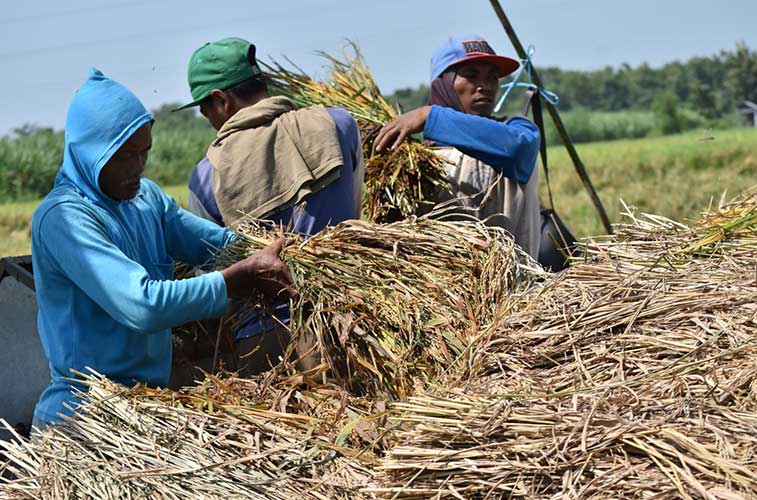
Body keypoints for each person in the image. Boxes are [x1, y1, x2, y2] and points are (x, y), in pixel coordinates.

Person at [30, 68, 295, 428]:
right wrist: (238, 278)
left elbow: (214, 244)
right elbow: (142, 306)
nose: (138, 167)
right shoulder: (64, 218)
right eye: (124, 156)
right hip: (86, 413)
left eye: (145, 153)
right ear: (90, 153)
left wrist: (273, 251)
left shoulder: (146, 198)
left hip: (146, 403)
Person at [176, 37, 364, 373]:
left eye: (204, 108)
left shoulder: (208, 175)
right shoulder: (339, 125)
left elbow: (217, 282)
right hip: (353, 322)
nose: (207, 118)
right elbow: (357, 215)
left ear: (221, 101)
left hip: (267, 339)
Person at [376, 35, 542, 258]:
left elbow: (516, 149)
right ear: (442, 84)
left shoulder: (517, 131)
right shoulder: (412, 158)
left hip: (514, 285)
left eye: (492, 78)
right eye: (471, 76)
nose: (484, 86)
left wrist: (430, 115)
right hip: (442, 289)